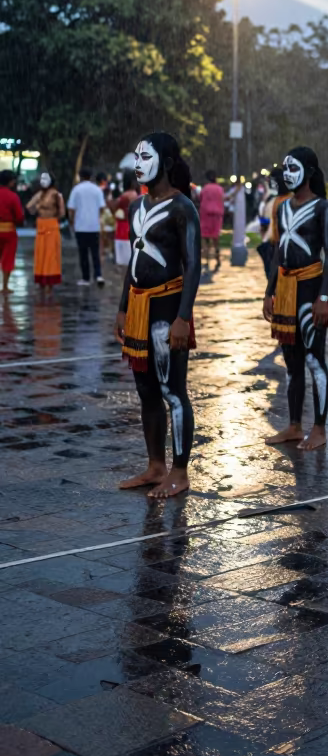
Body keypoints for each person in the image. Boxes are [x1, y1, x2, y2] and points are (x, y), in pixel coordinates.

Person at [115, 131, 200, 499]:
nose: (138, 165)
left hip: (168, 308)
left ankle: (179, 472)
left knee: (172, 390)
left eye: (145, 157)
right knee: (146, 390)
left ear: (165, 163)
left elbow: (193, 265)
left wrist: (184, 316)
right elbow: (133, 261)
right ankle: (155, 466)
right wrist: (122, 307)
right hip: (137, 306)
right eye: (136, 157)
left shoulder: (183, 208)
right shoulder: (136, 207)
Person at [263, 147, 328, 451]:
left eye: (294, 168)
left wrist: (322, 296)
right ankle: (294, 425)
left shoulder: (322, 208)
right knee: (291, 363)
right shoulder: (281, 208)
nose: (288, 174)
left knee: (313, 359)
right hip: (286, 289)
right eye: (285, 169)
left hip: (310, 288)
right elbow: (279, 251)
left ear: (309, 171)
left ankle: (319, 427)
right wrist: (270, 291)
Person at [26, 171, 65, 292]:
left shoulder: (57, 195)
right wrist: (37, 204)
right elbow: (29, 207)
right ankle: (41, 281)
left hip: (51, 225)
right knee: (40, 254)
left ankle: (50, 283)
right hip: (41, 225)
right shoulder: (39, 194)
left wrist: (52, 216)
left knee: (50, 255)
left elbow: (62, 213)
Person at [67, 168, 105, 287]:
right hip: (94, 226)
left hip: (81, 226)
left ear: (80, 176)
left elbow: (71, 209)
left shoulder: (76, 190)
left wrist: (72, 222)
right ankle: (98, 275)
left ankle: (86, 278)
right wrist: (97, 217)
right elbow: (102, 207)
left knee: (83, 253)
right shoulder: (97, 190)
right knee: (95, 252)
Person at [0, 170, 25, 293]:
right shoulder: (13, 196)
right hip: (9, 231)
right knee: (8, 258)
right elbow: (19, 216)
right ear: (10, 182)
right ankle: (4, 286)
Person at [110, 171, 139, 268]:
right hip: (135, 227)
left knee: (124, 262)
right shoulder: (137, 194)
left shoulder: (125, 195)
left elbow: (113, 207)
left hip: (123, 227)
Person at [199, 170, 225, 270]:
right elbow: (222, 200)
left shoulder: (205, 189)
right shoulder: (220, 189)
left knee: (205, 239)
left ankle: (206, 261)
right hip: (217, 216)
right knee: (215, 239)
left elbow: (200, 198)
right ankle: (218, 260)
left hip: (206, 215)